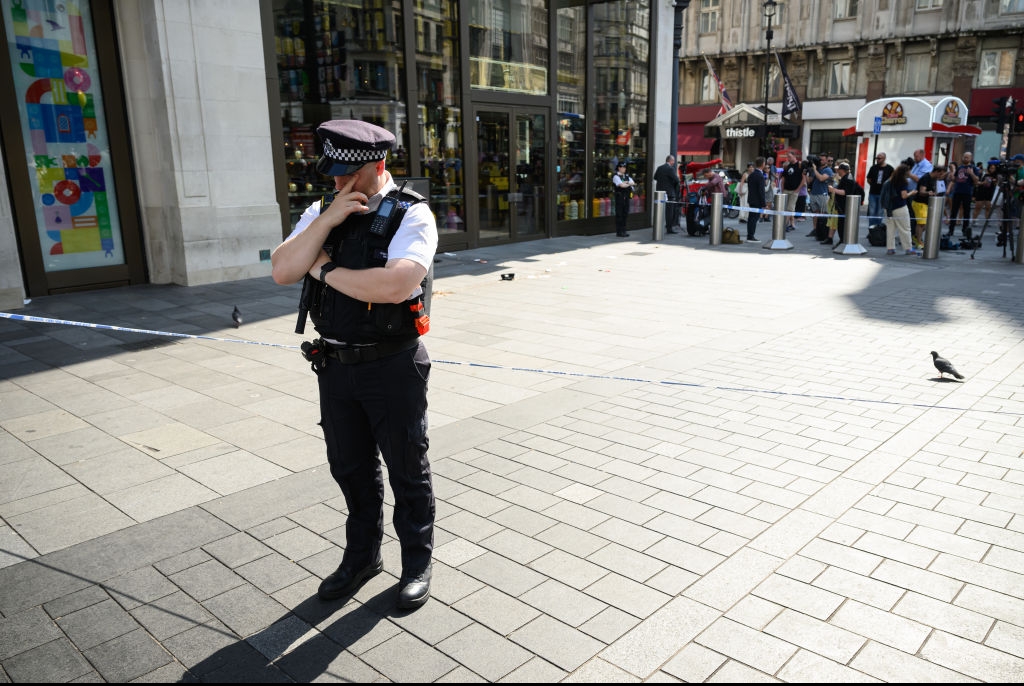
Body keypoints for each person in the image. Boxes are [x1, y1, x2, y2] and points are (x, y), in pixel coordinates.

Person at [271, 119, 437, 611]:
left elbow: (394, 286)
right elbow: (282, 269)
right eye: (333, 175)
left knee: (408, 465)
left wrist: (322, 267)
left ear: (376, 165)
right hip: (336, 365)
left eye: (348, 176)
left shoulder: (411, 214)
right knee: (350, 468)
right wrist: (324, 223)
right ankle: (362, 557)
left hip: (393, 364)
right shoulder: (320, 209)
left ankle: (416, 562)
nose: (338, 184)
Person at [823, 161, 864, 245]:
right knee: (841, 225)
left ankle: (843, 241)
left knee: (842, 225)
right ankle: (842, 240)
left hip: (845, 207)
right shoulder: (846, 177)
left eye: (839, 169)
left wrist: (833, 190)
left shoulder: (848, 179)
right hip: (842, 207)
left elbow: (846, 192)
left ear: (842, 170)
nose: (837, 171)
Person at [884, 164, 917, 255]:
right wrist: (912, 193)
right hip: (900, 207)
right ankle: (908, 248)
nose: (910, 173)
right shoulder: (903, 182)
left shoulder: (890, 180)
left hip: (889, 208)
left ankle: (890, 248)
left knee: (891, 229)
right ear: (905, 172)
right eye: (909, 171)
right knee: (905, 228)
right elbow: (904, 196)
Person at [947, 152, 978, 237]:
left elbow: (976, 181)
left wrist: (971, 173)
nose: (965, 159)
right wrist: (952, 174)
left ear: (971, 158)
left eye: (967, 157)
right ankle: (951, 230)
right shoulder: (960, 167)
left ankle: (965, 230)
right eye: (964, 157)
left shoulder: (974, 168)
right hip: (957, 191)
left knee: (966, 212)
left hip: (967, 192)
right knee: (954, 211)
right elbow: (954, 179)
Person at [807, 153, 834, 239]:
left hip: (823, 194)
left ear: (826, 160)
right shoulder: (817, 169)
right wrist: (805, 173)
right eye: (820, 159)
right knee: (815, 213)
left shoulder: (828, 170)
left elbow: (821, 178)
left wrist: (815, 170)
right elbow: (809, 181)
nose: (820, 161)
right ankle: (815, 230)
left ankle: (823, 232)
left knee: (823, 214)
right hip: (814, 193)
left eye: (822, 159)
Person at [653, 155, 680, 234]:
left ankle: (657, 226)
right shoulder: (670, 169)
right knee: (669, 211)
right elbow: (677, 180)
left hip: (660, 192)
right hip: (669, 193)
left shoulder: (659, 168)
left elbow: (655, 177)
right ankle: (669, 228)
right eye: (673, 161)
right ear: (670, 161)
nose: (674, 162)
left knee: (658, 210)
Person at [779, 151, 805, 232]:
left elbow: (803, 179)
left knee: (790, 208)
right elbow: (783, 179)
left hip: (794, 190)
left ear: (794, 156)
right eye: (787, 157)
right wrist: (782, 190)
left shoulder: (800, 165)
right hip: (786, 190)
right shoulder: (787, 166)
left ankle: (785, 225)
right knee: (787, 208)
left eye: (789, 157)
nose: (788, 158)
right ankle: (791, 223)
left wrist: (798, 190)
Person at [866, 152, 894, 222]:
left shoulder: (889, 168)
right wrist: (874, 185)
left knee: (879, 213)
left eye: (879, 158)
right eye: (876, 158)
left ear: (884, 158)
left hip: (883, 194)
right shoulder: (873, 168)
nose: (877, 160)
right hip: (873, 193)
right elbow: (869, 179)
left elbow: (892, 180)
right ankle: (871, 229)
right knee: (872, 212)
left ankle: (877, 230)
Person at [612, 161, 636, 237]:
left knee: (625, 214)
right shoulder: (616, 176)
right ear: (619, 168)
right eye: (623, 167)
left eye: (625, 167)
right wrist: (627, 183)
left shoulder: (627, 176)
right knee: (619, 215)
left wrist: (627, 183)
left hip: (626, 198)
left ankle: (624, 231)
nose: (624, 169)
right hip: (619, 198)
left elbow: (633, 183)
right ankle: (619, 232)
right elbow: (622, 185)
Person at [745, 157, 766, 242]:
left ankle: (749, 235)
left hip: (751, 199)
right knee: (754, 219)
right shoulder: (760, 175)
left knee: (751, 218)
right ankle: (751, 236)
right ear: (763, 164)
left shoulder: (751, 174)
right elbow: (761, 191)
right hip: (757, 201)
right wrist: (763, 203)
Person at [971, 161, 997, 227]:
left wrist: (995, 181)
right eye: (991, 168)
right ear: (988, 168)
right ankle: (973, 221)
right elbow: (976, 182)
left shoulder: (995, 176)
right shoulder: (982, 173)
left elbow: (996, 184)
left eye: (994, 168)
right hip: (981, 192)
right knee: (978, 207)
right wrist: (983, 182)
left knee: (988, 208)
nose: (992, 169)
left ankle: (987, 221)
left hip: (989, 193)